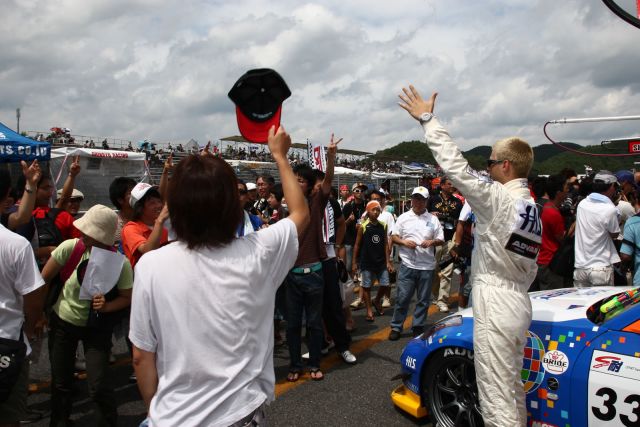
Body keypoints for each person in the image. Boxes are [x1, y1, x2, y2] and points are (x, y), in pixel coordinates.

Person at [129, 125, 309, 426]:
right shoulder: (259, 252)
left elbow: (141, 356)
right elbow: (300, 213)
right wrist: (280, 156)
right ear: (231, 205)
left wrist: (155, 412)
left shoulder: (150, 265)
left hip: (170, 416)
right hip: (239, 414)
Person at [398, 85, 541, 426]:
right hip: (519, 299)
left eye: (491, 162)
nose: (487, 168)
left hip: (496, 299)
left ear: (505, 165)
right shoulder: (530, 206)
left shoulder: (499, 200)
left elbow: (455, 166)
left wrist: (427, 120)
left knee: (495, 399)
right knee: (510, 390)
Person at [41, 204, 133, 426]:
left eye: (90, 231)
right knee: (61, 382)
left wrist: (107, 306)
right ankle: (60, 422)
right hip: (63, 321)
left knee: (98, 384)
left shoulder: (120, 264)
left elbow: (127, 297)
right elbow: (43, 279)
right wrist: (40, 315)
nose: (83, 234)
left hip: (97, 328)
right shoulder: (71, 248)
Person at [285, 134, 340, 382]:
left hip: (315, 272)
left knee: (315, 324)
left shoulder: (316, 202)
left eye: (300, 181)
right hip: (292, 275)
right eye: (293, 180)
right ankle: (295, 365)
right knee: (293, 325)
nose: (296, 184)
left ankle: (315, 364)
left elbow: (327, 180)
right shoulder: (285, 209)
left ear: (308, 184)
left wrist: (330, 156)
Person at [0, 169, 46, 427]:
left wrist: (30, 184)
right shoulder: (16, 244)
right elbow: (33, 296)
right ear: (7, 195)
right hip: (7, 345)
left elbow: (21, 216)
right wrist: (28, 330)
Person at [388, 186, 443, 340]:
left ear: (426, 201)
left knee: (423, 300)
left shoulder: (433, 219)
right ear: (411, 199)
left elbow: (441, 238)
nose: (418, 202)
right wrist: (405, 242)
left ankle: (418, 325)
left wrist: (432, 242)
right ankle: (396, 326)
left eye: (421, 199)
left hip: (427, 266)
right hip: (407, 265)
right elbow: (394, 237)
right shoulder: (403, 217)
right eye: (415, 198)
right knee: (402, 298)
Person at [573, 171, 621, 287]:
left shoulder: (582, 204)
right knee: (603, 305)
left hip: (580, 266)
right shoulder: (609, 209)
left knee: (583, 304)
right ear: (611, 187)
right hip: (601, 267)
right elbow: (614, 234)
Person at [352, 200, 393, 322]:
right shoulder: (363, 226)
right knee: (367, 287)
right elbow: (357, 245)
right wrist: (354, 262)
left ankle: (377, 300)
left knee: (385, 284)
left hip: (381, 262)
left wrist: (388, 261)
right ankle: (369, 310)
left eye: (378, 210)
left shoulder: (383, 225)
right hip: (367, 262)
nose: (376, 212)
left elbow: (385, 244)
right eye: (373, 210)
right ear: (368, 212)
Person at [427, 176, 462, 312]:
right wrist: (431, 214)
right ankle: (436, 296)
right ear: (442, 186)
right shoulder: (432, 199)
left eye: (453, 183)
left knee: (447, 271)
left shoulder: (458, 202)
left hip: (449, 239)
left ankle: (443, 300)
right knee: (434, 270)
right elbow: (424, 216)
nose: (452, 186)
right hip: (435, 239)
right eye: (449, 184)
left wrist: (457, 243)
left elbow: (460, 222)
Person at [535, 174, 571, 290]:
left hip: (542, 259)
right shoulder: (553, 213)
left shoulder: (547, 208)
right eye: (566, 187)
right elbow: (561, 238)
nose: (568, 190)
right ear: (558, 192)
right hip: (551, 262)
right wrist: (575, 225)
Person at [121, 183, 169, 268]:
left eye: (159, 201)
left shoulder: (163, 229)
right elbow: (147, 251)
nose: (159, 205)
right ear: (140, 208)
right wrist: (160, 221)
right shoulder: (130, 228)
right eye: (152, 203)